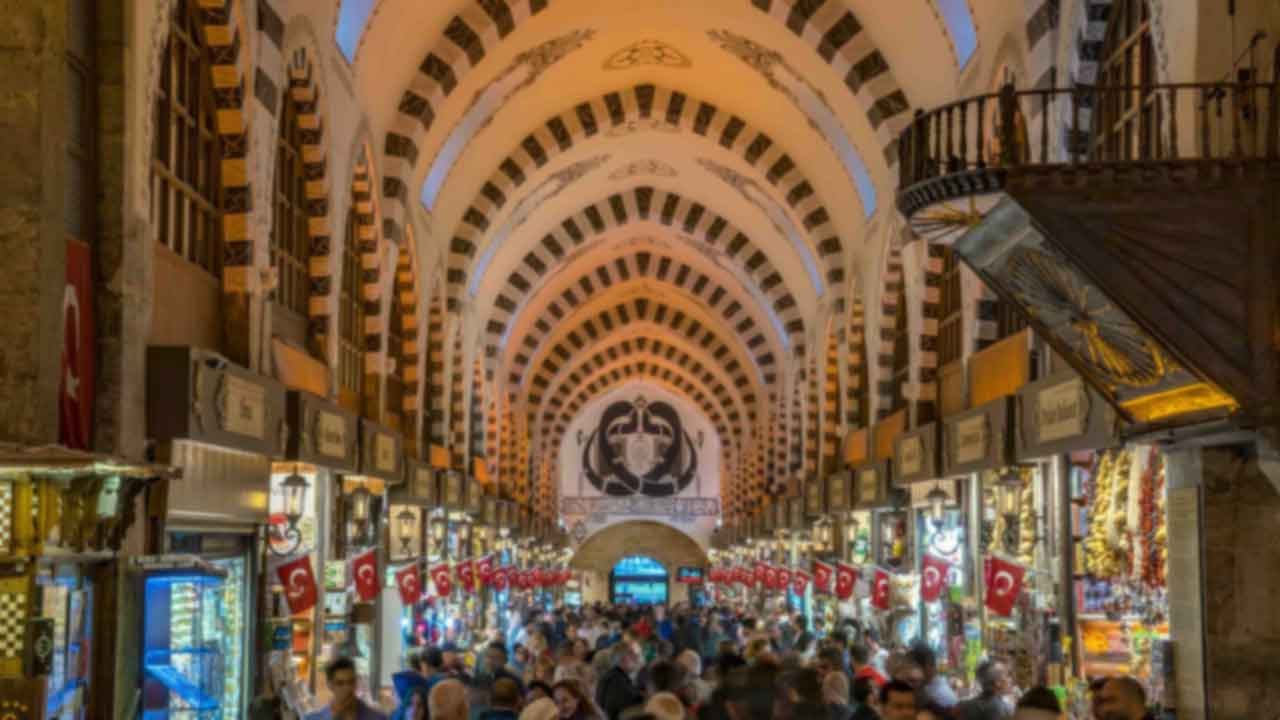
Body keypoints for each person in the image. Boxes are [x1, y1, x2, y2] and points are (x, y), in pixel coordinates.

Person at [306, 657, 386, 720]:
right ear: (330, 685)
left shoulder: (377, 717)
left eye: (351, 682)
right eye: (340, 683)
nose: (347, 688)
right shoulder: (313, 718)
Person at [596, 643, 645, 720]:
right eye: (632, 655)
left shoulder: (614, 676)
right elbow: (630, 701)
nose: (637, 658)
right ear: (623, 659)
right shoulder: (615, 680)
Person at [906, 645, 957, 711]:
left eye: (911, 668)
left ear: (928, 667)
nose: (908, 674)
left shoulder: (941, 696)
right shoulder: (925, 689)